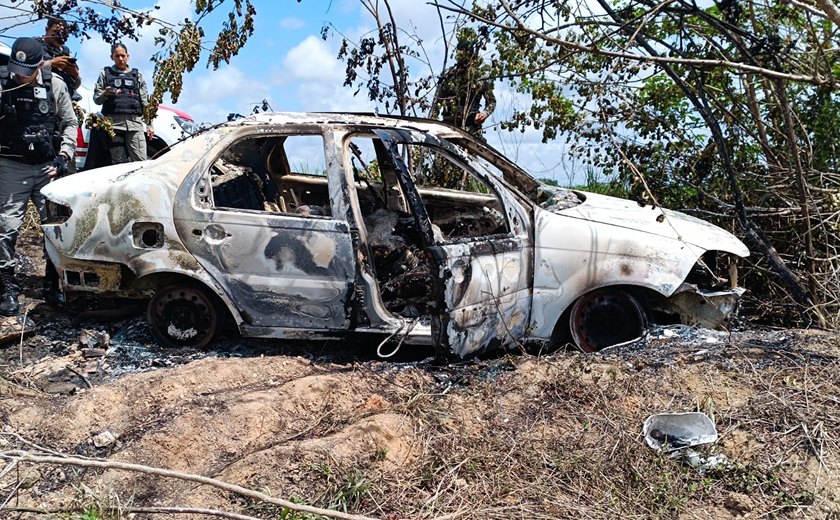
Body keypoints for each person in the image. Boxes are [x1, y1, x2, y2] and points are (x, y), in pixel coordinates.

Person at [0, 37, 77, 314]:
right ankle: (7, 288)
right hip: (12, 165)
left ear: (39, 65)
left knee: (54, 228)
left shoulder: (54, 84)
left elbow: (70, 123)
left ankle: (52, 283)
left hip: (47, 168)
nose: (20, 75)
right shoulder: (3, 84)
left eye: (26, 71)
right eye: (16, 68)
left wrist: (64, 156)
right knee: (6, 228)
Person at [94, 42, 153, 163]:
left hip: (134, 124)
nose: (120, 59)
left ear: (128, 56)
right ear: (112, 57)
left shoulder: (137, 76)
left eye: (123, 55)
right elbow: (96, 100)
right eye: (117, 56)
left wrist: (150, 124)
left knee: (140, 161)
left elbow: (145, 102)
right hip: (113, 125)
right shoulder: (105, 74)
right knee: (119, 163)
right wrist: (105, 94)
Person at [433, 31, 496, 137]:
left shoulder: (479, 77)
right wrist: (432, 124)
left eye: (464, 52)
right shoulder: (449, 75)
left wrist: (484, 114)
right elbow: (438, 100)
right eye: (459, 52)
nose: (461, 56)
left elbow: (492, 102)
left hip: (470, 126)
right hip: (448, 125)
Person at [36, 16, 81, 101]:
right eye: (55, 32)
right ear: (47, 29)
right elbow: (26, 71)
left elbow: (76, 85)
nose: (58, 37)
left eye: (62, 34)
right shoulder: (35, 45)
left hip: (64, 100)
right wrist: (51, 63)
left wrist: (74, 74)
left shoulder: (66, 52)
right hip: (42, 98)